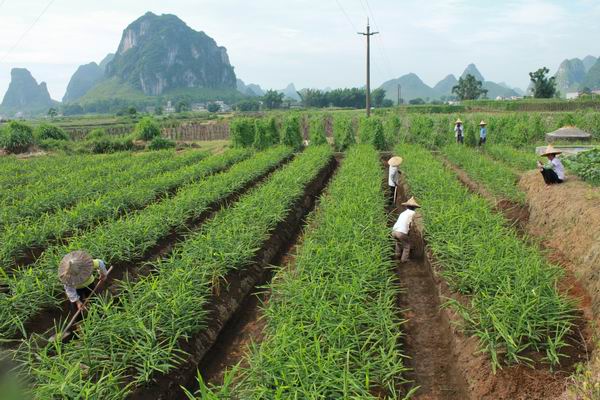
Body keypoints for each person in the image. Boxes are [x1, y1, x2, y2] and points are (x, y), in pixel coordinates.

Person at [392, 197, 421, 262]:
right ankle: (404, 259)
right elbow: (412, 224)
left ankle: (397, 255)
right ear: (414, 208)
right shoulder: (413, 213)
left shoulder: (403, 213)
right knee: (407, 246)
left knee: (398, 242)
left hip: (394, 231)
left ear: (407, 206)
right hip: (401, 232)